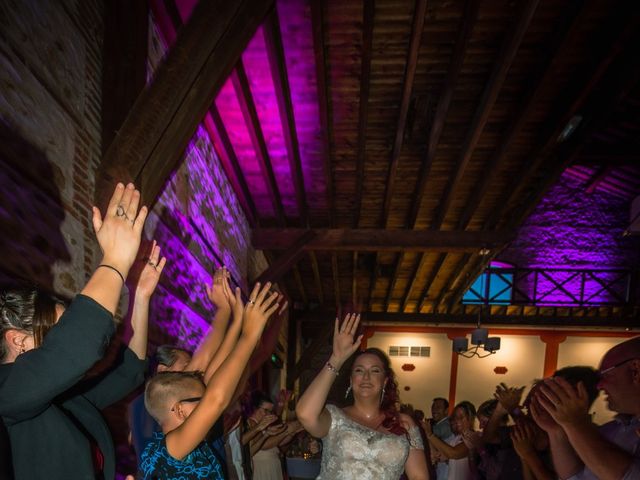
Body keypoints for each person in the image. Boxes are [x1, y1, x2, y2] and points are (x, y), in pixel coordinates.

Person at [0, 182, 161, 479]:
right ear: (18, 340)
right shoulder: (6, 392)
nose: (67, 336)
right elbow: (77, 346)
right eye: (57, 331)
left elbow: (130, 371)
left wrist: (140, 297)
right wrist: (114, 261)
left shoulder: (63, 397)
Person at [139, 281, 281, 479]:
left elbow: (213, 374)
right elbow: (216, 399)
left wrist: (238, 320)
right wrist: (248, 336)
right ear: (179, 409)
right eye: (201, 400)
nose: (207, 404)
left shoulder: (186, 444)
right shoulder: (169, 449)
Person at [296, 313, 429, 479]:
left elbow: (419, 477)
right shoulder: (335, 417)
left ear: (385, 381)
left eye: (375, 371)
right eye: (359, 370)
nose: (366, 377)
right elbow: (305, 414)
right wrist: (336, 359)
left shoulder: (404, 423)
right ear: (351, 380)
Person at [128, 266, 237, 465]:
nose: (194, 374)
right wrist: (224, 311)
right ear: (163, 371)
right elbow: (202, 363)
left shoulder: (147, 405)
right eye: (187, 366)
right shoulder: (146, 405)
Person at [533, 337, 640, 480]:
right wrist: (556, 431)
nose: (600, 385)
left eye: (605, 375)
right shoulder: (610, 430)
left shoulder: (590, 431)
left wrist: (575, 423)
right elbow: (576, 477)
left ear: (635, 371)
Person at [245, 390, 304, 480]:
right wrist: (287, 431)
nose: (269, 413)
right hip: (263, 468)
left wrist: (292, 433)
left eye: (270, 411)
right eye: (266, 410)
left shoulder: (264, 424)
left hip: (271, 466)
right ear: (255, 408)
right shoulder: (251, 423)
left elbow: (279, 443)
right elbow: (265, 445)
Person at [424, 401, 475, 480]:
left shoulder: (474, 437)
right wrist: (427, 436)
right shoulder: (456, 439)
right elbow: (441, 457)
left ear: (470, 418)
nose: (457, 421)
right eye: (455, 417)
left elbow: (453, 453)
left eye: (461, 417)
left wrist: (430, 435)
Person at [430, 397, 453, 480]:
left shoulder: (447, 424)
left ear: (446, 411)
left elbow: (433, 434)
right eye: (433, 407)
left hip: (447, 471)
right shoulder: (438, 424)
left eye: (438, 407)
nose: (434, 410)